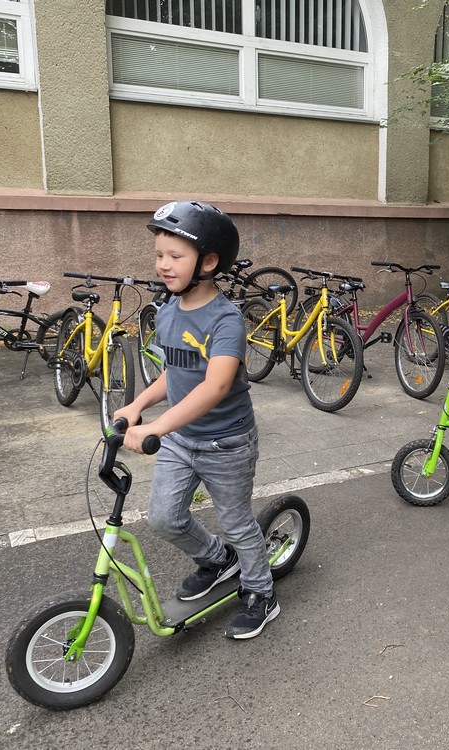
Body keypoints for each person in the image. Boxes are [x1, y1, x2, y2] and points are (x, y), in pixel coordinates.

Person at [115, 200, 277, 641]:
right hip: (181, 439)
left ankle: (261, 592)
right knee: (164, 519)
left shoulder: (225, 319)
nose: (163, 265)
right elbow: (176, 372)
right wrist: (137, 406)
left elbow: (215, 386)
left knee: (237, 523)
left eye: (175, 256)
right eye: (159, 255)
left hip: (227, 443)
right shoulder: (168, 310)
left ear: (208, 262)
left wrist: (156, 427)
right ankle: (217, 560)